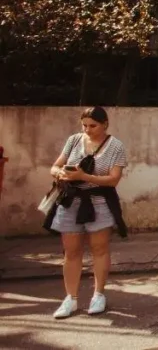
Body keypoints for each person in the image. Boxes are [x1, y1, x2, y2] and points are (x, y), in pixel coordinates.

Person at [45, 106, 128, 319]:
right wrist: (61, 173)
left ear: (105, 124)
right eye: (84, 125)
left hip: (99, 201)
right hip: (71, 201)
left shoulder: (115, 146)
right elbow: (55, 166)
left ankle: (98, 294)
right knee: (71, 251)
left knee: (99, 248)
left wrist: (84, 177)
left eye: (93, 126)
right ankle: (70, 298)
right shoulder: (74, 140)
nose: (88, 130)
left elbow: (113, 179)